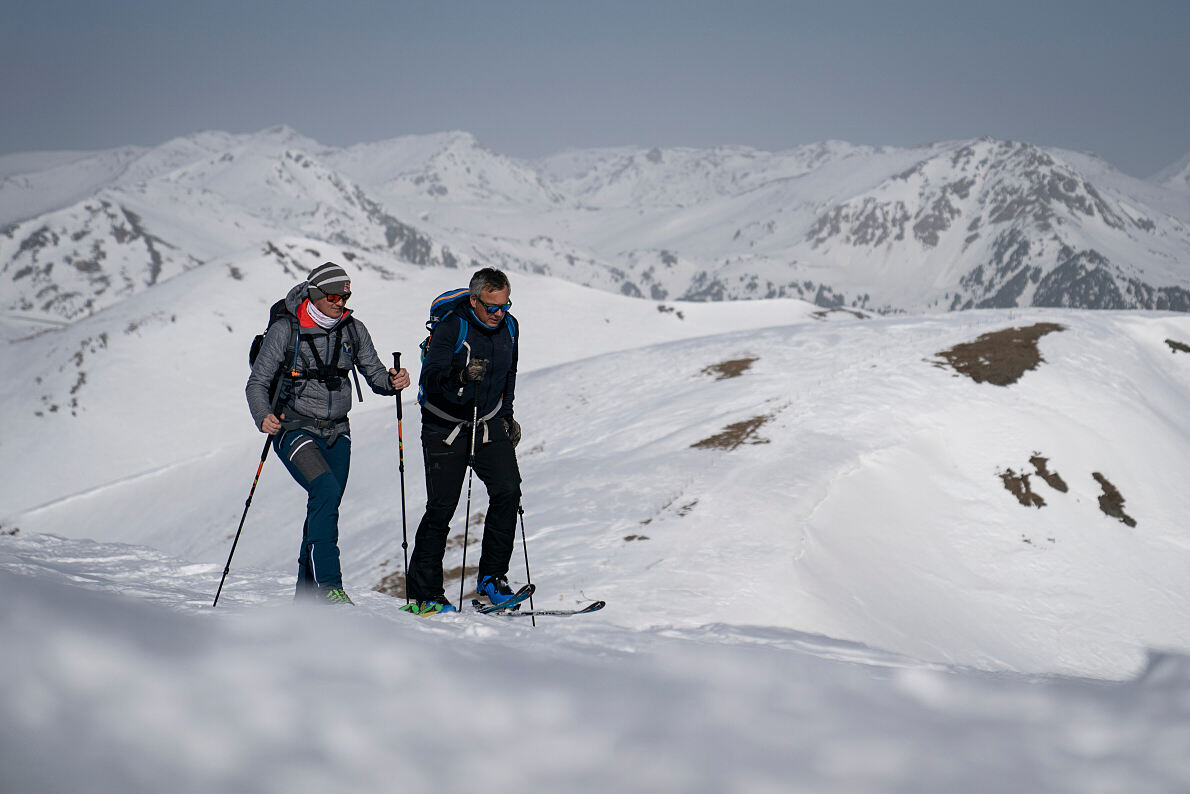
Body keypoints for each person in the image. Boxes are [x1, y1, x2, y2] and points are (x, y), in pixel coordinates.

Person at [246, 262, 410, 605]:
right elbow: (257, 382)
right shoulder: (284, 331)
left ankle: (304, 600)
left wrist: (392, 381)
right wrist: (263, 416)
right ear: (317, 294)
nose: (341, 303)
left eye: (345, 296)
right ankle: (330, 588)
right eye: (334, 296)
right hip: (293, 426)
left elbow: (375, 374)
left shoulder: (353, 329)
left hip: (339, 430)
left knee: (324, 504)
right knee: (325, 488)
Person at [404, 267, 522, 615]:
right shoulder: (452, 326)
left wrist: (507, 416)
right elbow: (432, 376)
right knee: (441, 507)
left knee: (508, 491)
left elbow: (509, 375)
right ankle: (425, 595)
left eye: (504, 305)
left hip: (486, 422)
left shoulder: (510, 328)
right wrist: (460, 375)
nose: (499, 313)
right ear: (474, 301)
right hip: (444, 426)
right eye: (491, 307)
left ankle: (492, 579)